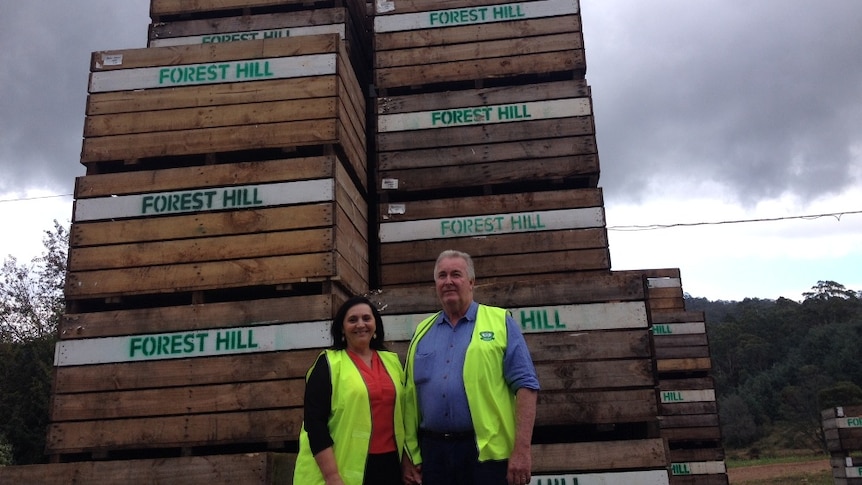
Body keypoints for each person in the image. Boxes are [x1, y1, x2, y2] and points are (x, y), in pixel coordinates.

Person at [402, 250, 540, 485]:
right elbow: (409, 398)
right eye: (441, 276)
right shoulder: (422, 331)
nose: (448, 282)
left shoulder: (499, 322)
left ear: (471, 282)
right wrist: (408, 454)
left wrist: (522, 450)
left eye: (456, 274)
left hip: (486, 454)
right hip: (433, 454)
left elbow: (526, 386)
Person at [294, 295, 405, 485]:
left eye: (366, 318)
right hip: (341, 470)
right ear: (342, 329)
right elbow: (315, 424)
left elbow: (406, 413)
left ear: (375, 325)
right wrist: (332, 477)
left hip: (391, 465)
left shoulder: (392, 362)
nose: (360, 324)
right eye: (352, 320)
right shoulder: (328, 364)